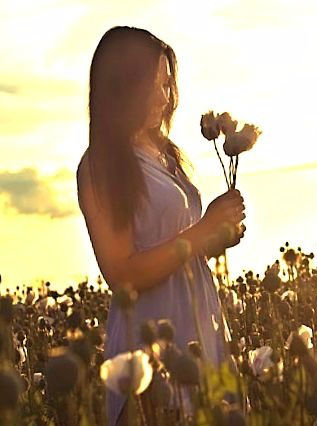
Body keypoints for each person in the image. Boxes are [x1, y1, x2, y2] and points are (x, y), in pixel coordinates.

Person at [76, 26, 246, 425]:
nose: (164, 97)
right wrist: (203, 231)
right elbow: (122, 274)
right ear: (120, 88)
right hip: (150, 336)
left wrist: (218, 235)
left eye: (168, 84)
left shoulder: (167, 155)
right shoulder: (101, 164)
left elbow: (179, 242)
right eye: (152, 85)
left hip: (201, 324)